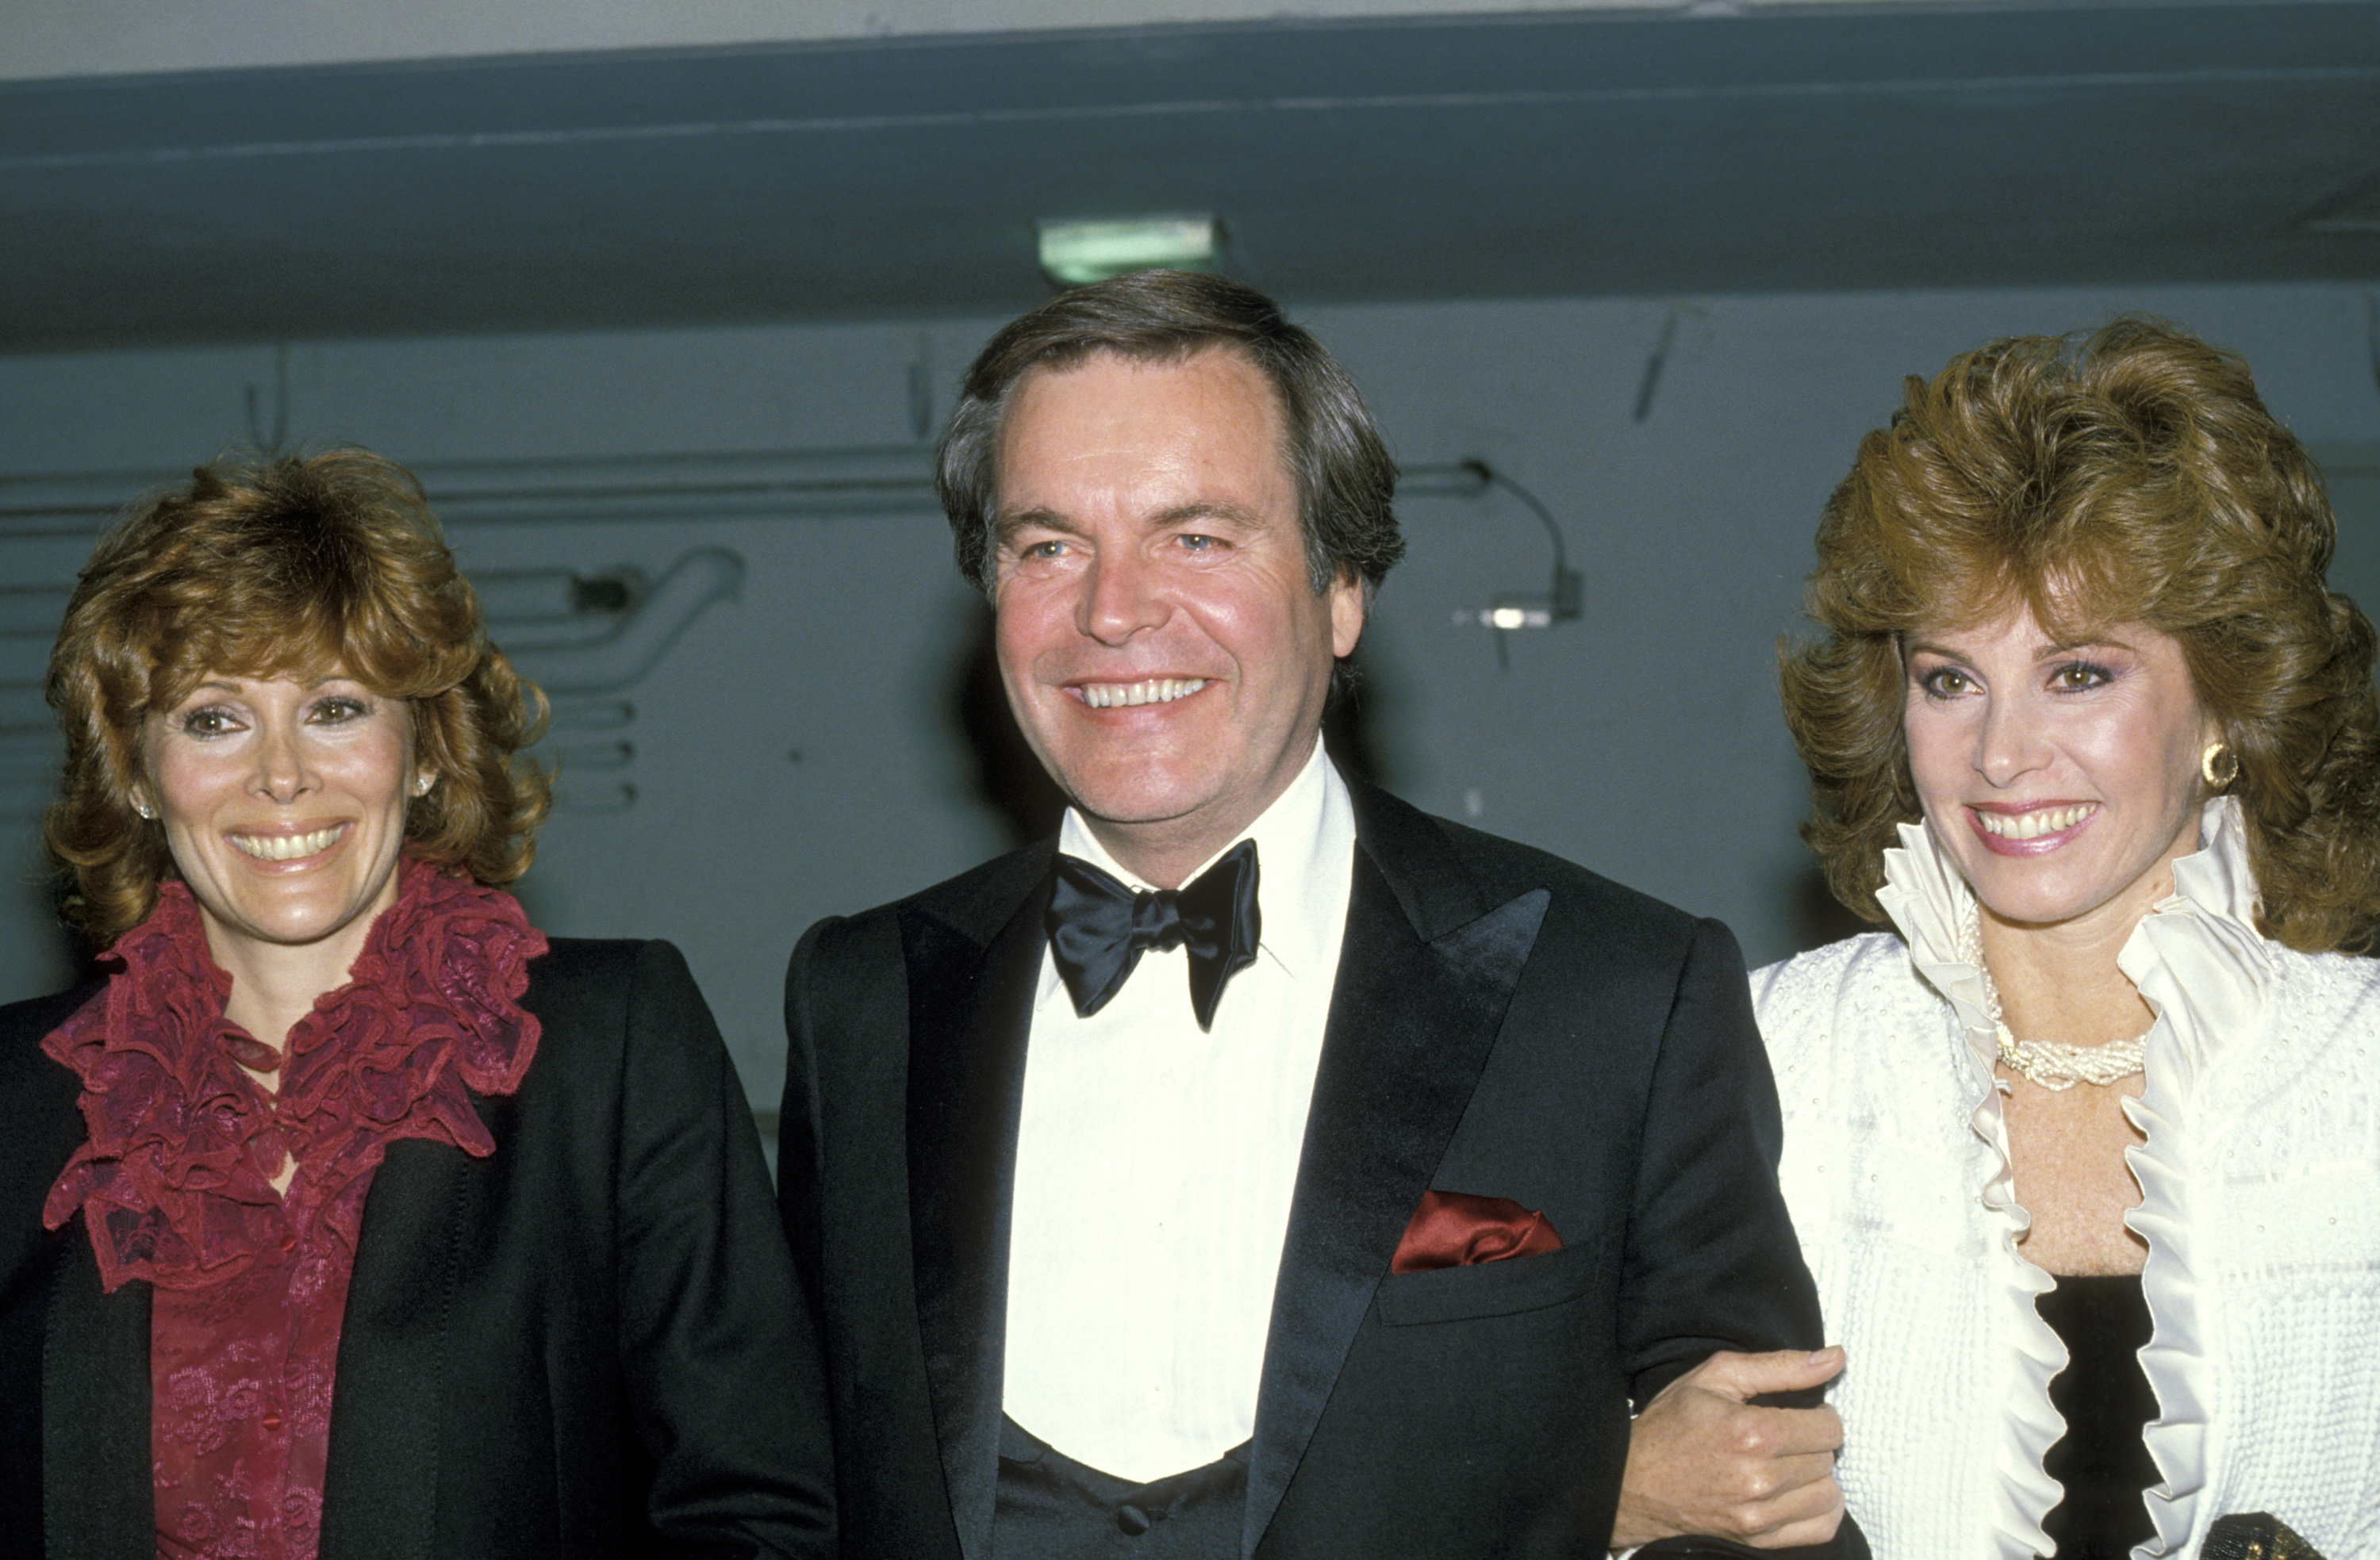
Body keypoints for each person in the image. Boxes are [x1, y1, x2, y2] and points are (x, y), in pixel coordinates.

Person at [776, 269, 1860, 1558]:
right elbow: (791, 1491)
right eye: (1048, 544)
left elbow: (1762, 1505)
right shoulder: (863, 998)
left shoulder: (1616, 990)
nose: (1113, 611)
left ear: (1344, 589)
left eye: (1197, 536)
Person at [0, 450, 834, 1558]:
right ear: (141, 776)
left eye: (335, 708)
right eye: (214, 720)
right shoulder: (21, 1097)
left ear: (429, 751)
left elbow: (759, 1509)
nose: (282, 776)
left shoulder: (612, 1045)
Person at [1747, 318, 2380, 1555]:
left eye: (2080, 673)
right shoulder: (1771, 1053)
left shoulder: (2363, 1076)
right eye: (1950, 678)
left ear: (2228, 704)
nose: (1999, 753)